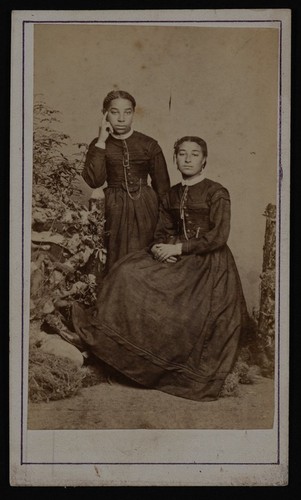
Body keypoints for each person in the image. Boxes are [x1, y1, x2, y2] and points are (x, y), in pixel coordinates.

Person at [72, 136, 248, 402]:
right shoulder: (171, 194)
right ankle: (115, 353)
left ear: (204, 160)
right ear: (175, 159)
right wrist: (158, 248)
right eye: (182, 154)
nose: (188, 159)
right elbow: (161, 231)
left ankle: (164, 365)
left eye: (195, 154)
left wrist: (178, 249)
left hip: (209, 264)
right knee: (126, 273)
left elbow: (218, 237)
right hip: (172, 254)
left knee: (181, 304)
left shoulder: (216, 192)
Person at [82, 90, 170, 271]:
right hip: (113, 210)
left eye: (127, 112)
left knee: (146, 265)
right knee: (114, 264)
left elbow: (163, 190)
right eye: (114, 112)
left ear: (133, 114)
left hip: (146, 208)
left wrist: (164, 229)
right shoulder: (98, 144)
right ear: (104, 114)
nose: (121, 118)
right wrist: (101, 141)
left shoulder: (149, 144)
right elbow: (95, 181)